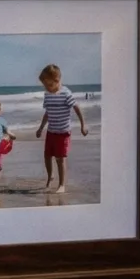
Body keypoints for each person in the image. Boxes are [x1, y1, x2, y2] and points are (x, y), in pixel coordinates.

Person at [35, 63, 88, 194]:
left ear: (57, 81)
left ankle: (62, 185)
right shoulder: (47, 94)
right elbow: (47, 113)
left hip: (63, 132)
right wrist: (41, 128)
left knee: (60, 158)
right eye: (45, 85)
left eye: (49, 85)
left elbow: (77, 108)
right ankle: (50, 176)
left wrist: (83, 124)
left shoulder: (66, 93)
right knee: (47, 156)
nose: (47, 87)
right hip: (51, 131)